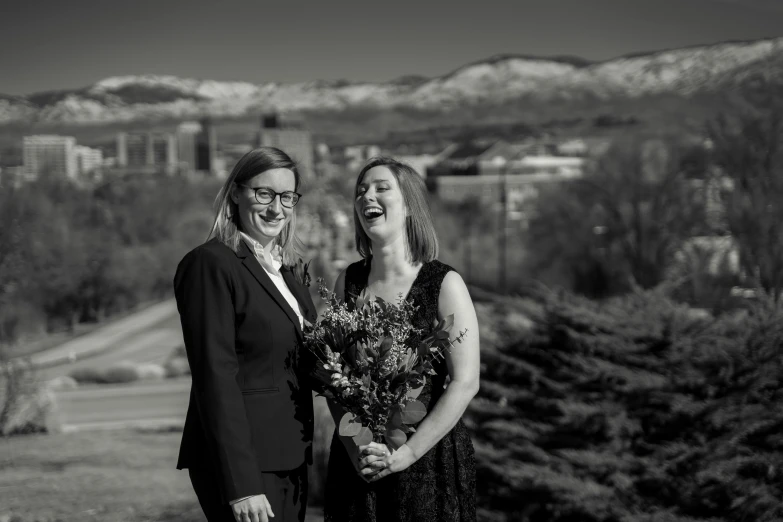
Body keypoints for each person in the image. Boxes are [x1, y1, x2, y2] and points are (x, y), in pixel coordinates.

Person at [324, 157, 480, 522]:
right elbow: (331, 378)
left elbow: (465, 381)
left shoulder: (445, 284)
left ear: (409, 205)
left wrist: (405, 454)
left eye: (381, 188)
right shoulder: (347, 282)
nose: (367, 197)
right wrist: (359, 448)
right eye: (360, 191)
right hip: (358, 465)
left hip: (428, 463)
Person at [174, 147, 317, 522]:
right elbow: (215, 377)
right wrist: (242, 484)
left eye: (287, 197)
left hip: (290, 456)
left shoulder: (287, 272)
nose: (276, 208)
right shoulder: (212, 264)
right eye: (263, 193)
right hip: (247, 466)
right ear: (236, 193)